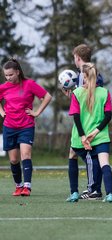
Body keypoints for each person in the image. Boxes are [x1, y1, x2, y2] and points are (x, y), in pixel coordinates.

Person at [0, 58, 52, 196]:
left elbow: (47, 97)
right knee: (13, 159)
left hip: (26, 126)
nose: (8, 77)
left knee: (25, 154)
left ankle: (27, 187)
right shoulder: (3, 87)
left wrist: (37, 112)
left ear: (17, 72)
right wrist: (1, 112)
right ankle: (18, 186)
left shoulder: (29, 84)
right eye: (6, 75)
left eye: (11, 74)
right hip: (9, 127)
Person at [67, 62, 112, 203]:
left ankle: (74, 192)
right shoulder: (105, 93)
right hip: (100, 136)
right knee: (104, 163)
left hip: (81, 136)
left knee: (72, 156)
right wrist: (96, 132)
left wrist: (83, 136)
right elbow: (108, 116)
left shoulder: (77, 93)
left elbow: (76, 117)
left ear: (85, 77)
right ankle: (110, 194)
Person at [64, 44, 104, 201]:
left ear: (77, 57)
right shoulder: (87, 72)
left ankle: (93, 189)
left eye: (74, 57)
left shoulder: (87, 73)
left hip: (88, 122)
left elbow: (91, 98)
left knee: (92, 157)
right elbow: (85, 97)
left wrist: (74, 97)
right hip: (86, 121)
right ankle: (81, 190)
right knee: (75, 154)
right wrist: (73, 97)